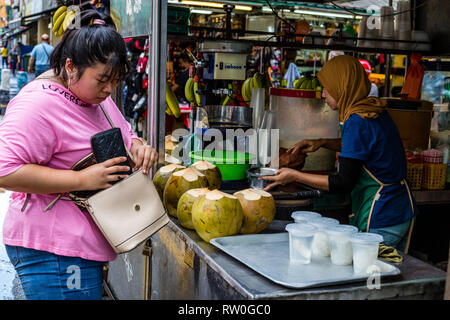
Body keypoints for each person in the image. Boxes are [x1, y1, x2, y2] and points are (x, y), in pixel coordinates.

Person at [0, 10, 158, 300]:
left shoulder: (97, 99)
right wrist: (80, 178)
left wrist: (137, 146)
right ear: (70, 67)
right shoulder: (37, 104)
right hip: (54, 251)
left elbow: (125, 132)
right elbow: (4, 171)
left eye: (116, 80)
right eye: (102, 80)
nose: (109, 89)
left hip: (80, 245)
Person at [261, 55, 417, 251]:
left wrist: (294, 175)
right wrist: (323, 142)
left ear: (342, 86)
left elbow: (343, 182)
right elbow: (365, 148)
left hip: (382, 212)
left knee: (371, 273)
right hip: (400, 209)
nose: (323, 94)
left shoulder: (357, 120)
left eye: (327, 88)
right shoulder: (372, 110)